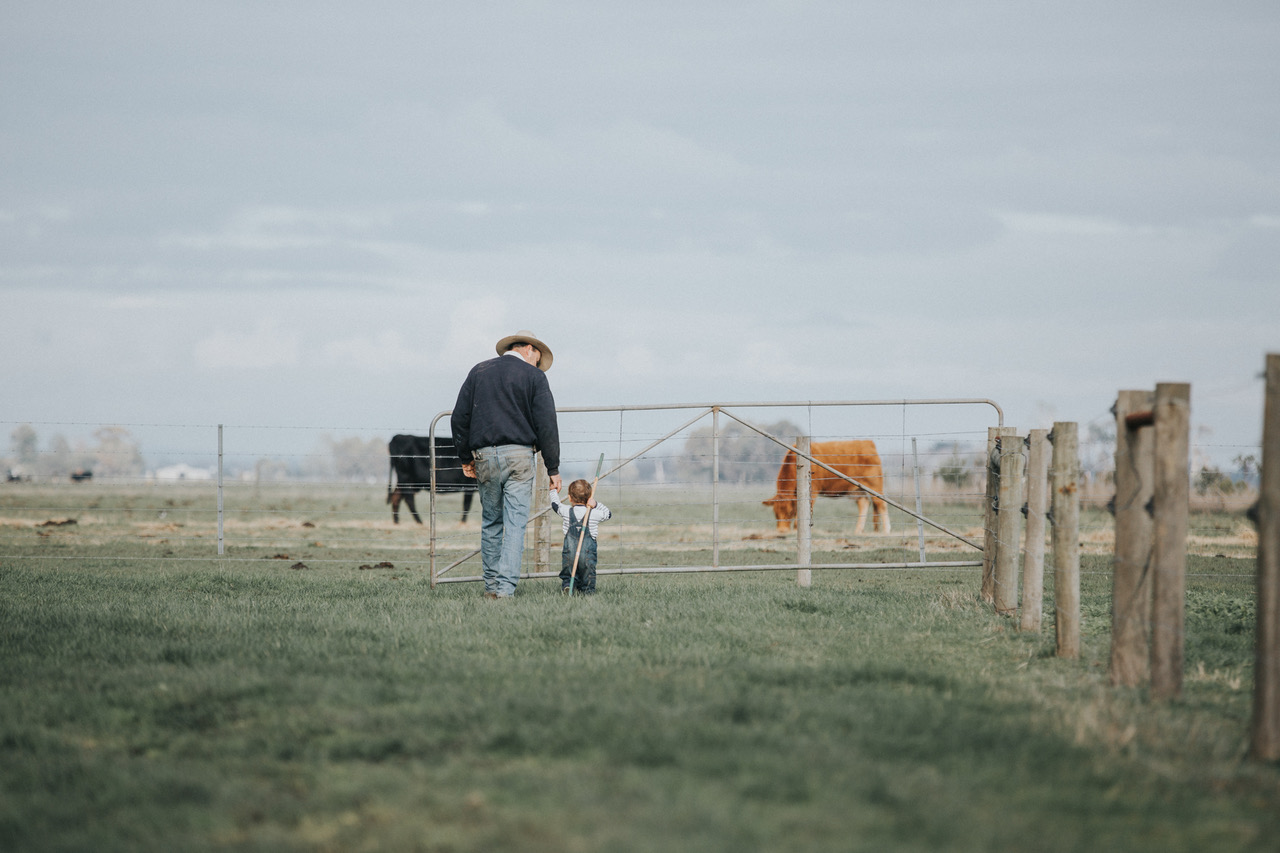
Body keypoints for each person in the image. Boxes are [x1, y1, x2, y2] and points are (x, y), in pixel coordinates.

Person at [451, 330, 562, 599]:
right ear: (528, 349)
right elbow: (546, 424)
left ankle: (490, 587)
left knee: (491, 522)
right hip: (520, 457)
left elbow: (458, 418)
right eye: (538, 357)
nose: (537, 363)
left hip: (485, 456)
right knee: (515, 525)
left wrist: (465, 457)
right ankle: (505, 590)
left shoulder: (479, 371)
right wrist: (553, 468)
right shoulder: (535, 377)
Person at [551, 479, 612, 595]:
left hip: (570, 553)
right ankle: (587, 591)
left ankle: (568, 584)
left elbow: (555, 505)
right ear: (589, 498)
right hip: (588, 554)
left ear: (570, 498)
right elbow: (608, 514)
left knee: (568, 572)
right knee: (587, 573)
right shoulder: (594, 513)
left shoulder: (566, 511)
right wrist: (596, 504)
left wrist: (553, 491)